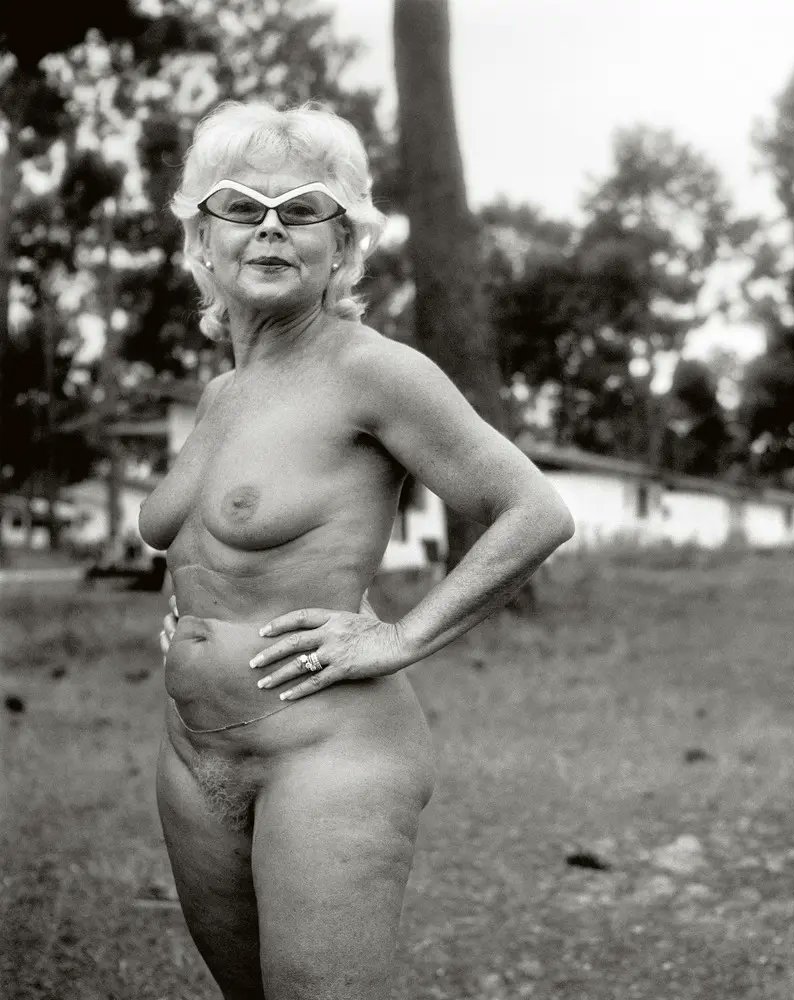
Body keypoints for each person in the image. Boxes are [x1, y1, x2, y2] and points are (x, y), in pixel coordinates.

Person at [142, 100, 574, 1000]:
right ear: (202, 240)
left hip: (327, 755)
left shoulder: (372, 371)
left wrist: (400, 636)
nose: (270, 227)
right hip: (191, 756)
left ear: (342, 246)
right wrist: (192, 618)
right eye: (241, 206)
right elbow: (214, 544)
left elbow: (533, 511)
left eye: (302, 209)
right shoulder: (221, 396)